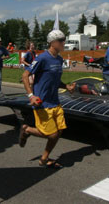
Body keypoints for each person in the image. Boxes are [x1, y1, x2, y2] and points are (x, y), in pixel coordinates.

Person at [19, 30, 76, 169]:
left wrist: (66, 86)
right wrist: (31, 96)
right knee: (51, 134)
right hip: (42, 103)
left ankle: (44, 159)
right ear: (52, 42)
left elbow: (54, 80)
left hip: (55, 101)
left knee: (59, 131)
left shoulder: (59, 59)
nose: (64, 43)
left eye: (64, 40)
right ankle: (27, 130)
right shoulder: (42, 58)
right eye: (61, 40)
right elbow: (25, 76)